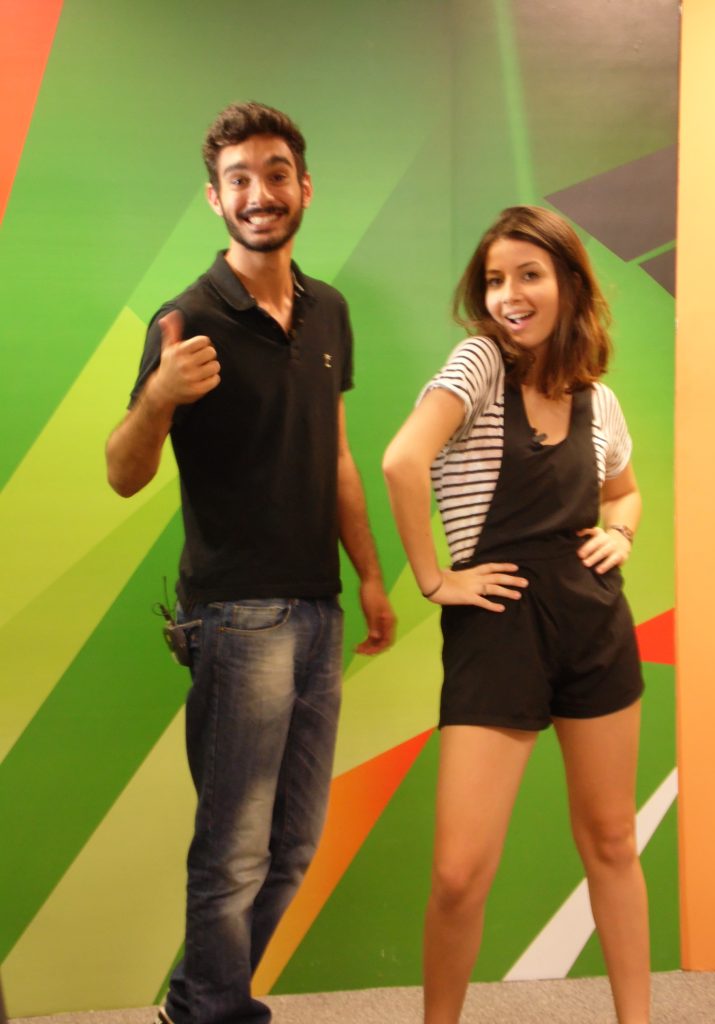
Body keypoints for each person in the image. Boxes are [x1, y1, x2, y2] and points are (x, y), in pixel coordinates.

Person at [106, 102, 395, 1024]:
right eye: (239, 179)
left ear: (304, 188)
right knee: (234, 851)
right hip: (235, 618)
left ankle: (204, 1000)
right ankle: (209, 1011)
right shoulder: (186, 319)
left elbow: (337, 456)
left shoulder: (329, 310)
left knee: (293, 846)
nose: (259, 193)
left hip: (319, 610)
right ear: (214, 198)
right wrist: (159, 397)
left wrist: (371, 575)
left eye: (275, 174)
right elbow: (122, 472)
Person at [383, 206, 648, 1024]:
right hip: (498, 630)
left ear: (569, 284)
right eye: (495, 280)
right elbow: (402, 461)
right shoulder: (478, 365)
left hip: (594, 629)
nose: (508, 296)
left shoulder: (598, 400)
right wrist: (434, 581)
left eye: (529, 275)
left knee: (612, 841)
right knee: (459, 874)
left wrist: (620, 534)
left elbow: (625, 492)